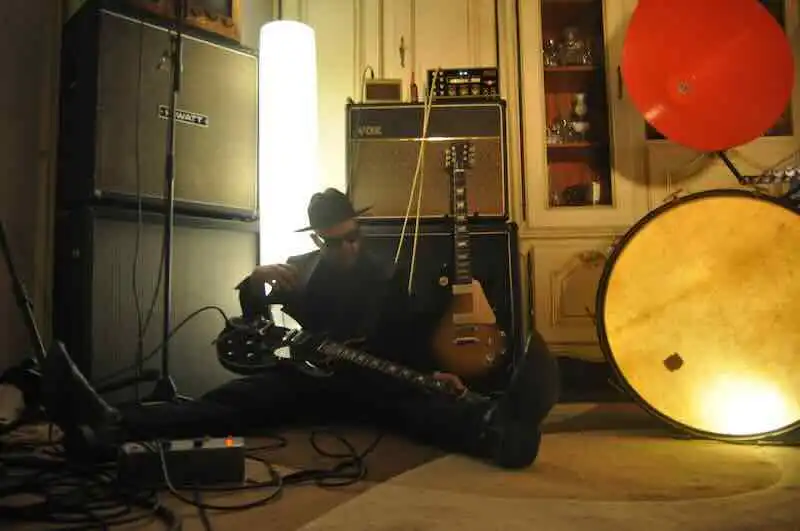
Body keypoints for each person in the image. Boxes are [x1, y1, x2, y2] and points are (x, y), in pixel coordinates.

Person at [38, 188, 559, 469]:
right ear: (318, 239)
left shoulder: (388, 271)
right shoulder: (299, 269)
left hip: (379, 380)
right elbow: (251, 335)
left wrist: (440, 375)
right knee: (228, 404)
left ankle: (500, 428)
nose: (349, 248)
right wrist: (253, 284)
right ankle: (110, 424)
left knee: (423, 409)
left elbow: (415, 334)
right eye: (336, 242)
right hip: (309, 380)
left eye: (353, 237)